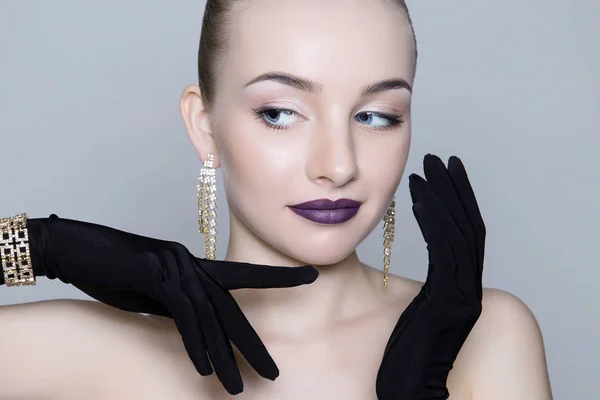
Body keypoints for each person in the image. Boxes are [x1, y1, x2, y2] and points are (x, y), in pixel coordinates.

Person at [0, 0, 553, 399]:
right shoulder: (81, 349)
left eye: (376, 116)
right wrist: (41, 245)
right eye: (280, 113)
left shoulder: (487, 333)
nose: (338, 166)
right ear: (204, 125)